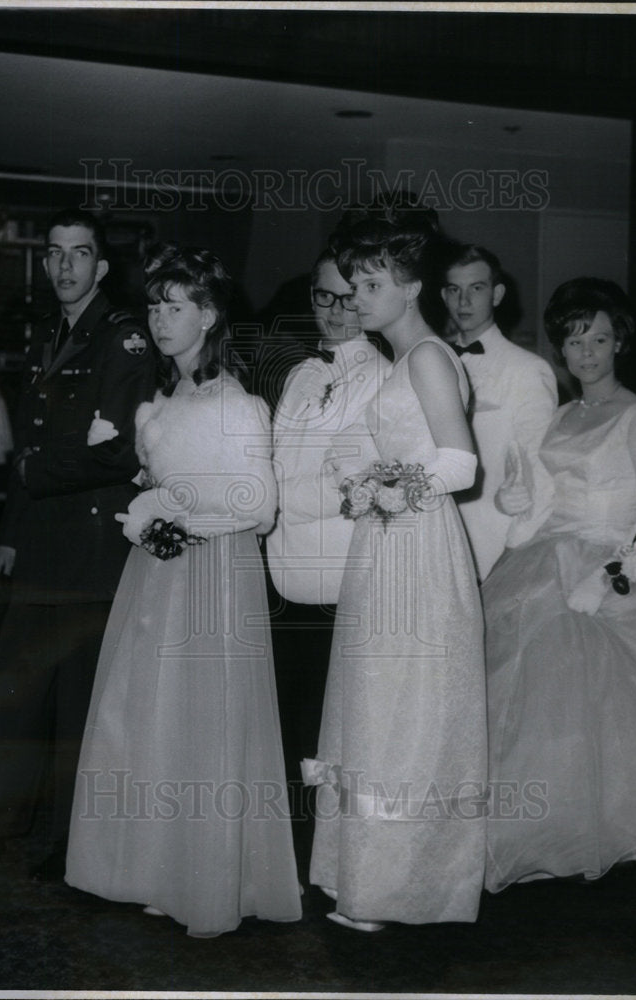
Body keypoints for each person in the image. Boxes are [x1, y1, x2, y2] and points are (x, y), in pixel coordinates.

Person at [64, 244, 302, 938]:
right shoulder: (163, 399)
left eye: (175, 307)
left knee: (203, 724)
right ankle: (152, 870)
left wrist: (174, 516)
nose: (160, 319)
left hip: (212, 573)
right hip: (158, 573)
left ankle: (205, 880)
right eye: (154, 306)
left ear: (209, 315)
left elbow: (257, 506)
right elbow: (161, 477)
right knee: (147, 717)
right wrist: (149, 503)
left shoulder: (237, 401)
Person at [0, 209, 157, 880]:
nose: (64, 267)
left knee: (77, 700)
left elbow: (121, 450)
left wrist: (34, 475)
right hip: (43, 542)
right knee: (13, 689)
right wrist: (9, 534)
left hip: (91, 542)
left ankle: (71, 842)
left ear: (101, 267)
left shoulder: (124, 339)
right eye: (54, 254)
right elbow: (31, 434)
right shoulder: (46, 333)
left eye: (78, 254)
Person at [303, 206, 487, 931]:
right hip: (388, 544)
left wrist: (387, 484)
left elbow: (460, 462)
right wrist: (366, 480)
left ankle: (396, 888)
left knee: (406, 715)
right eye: (354, 281)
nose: (357, 296)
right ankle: (362, 878)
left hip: (417, 548)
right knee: (377, 710)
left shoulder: (430, 357)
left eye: (372, 281)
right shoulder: (402, 360)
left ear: (412, 287)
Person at [483, 277, 636, 892]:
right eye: (574, 341)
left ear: (619, 342)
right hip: (546, 556)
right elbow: (544, 499)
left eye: (599, 338)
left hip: (617, 563)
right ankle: (536, 826)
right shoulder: (563, 415)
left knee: (590, 688)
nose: (586, 352)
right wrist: (511, 504)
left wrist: (611, 579)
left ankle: (601, 830)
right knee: (520, 688)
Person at [266, 248, 390, 801]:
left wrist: (263, 500)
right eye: (325, 296)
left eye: (350, 297)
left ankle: (319, 858)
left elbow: (349, 484)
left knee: (326, 729)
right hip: (283, 572)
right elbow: (276, 460)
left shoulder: (382, 377)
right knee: (288, 721)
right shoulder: (301, 372)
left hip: (337, 578)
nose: (338, 311)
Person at [440, 244, 557, 581]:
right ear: (443, 296)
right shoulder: (433, 363)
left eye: (476, 288)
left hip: (493, 546)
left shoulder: (527, 370)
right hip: (437, 540)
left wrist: (514, 552)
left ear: (497, 294)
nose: (464, 302)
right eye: (454, 289)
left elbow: (540, 470)